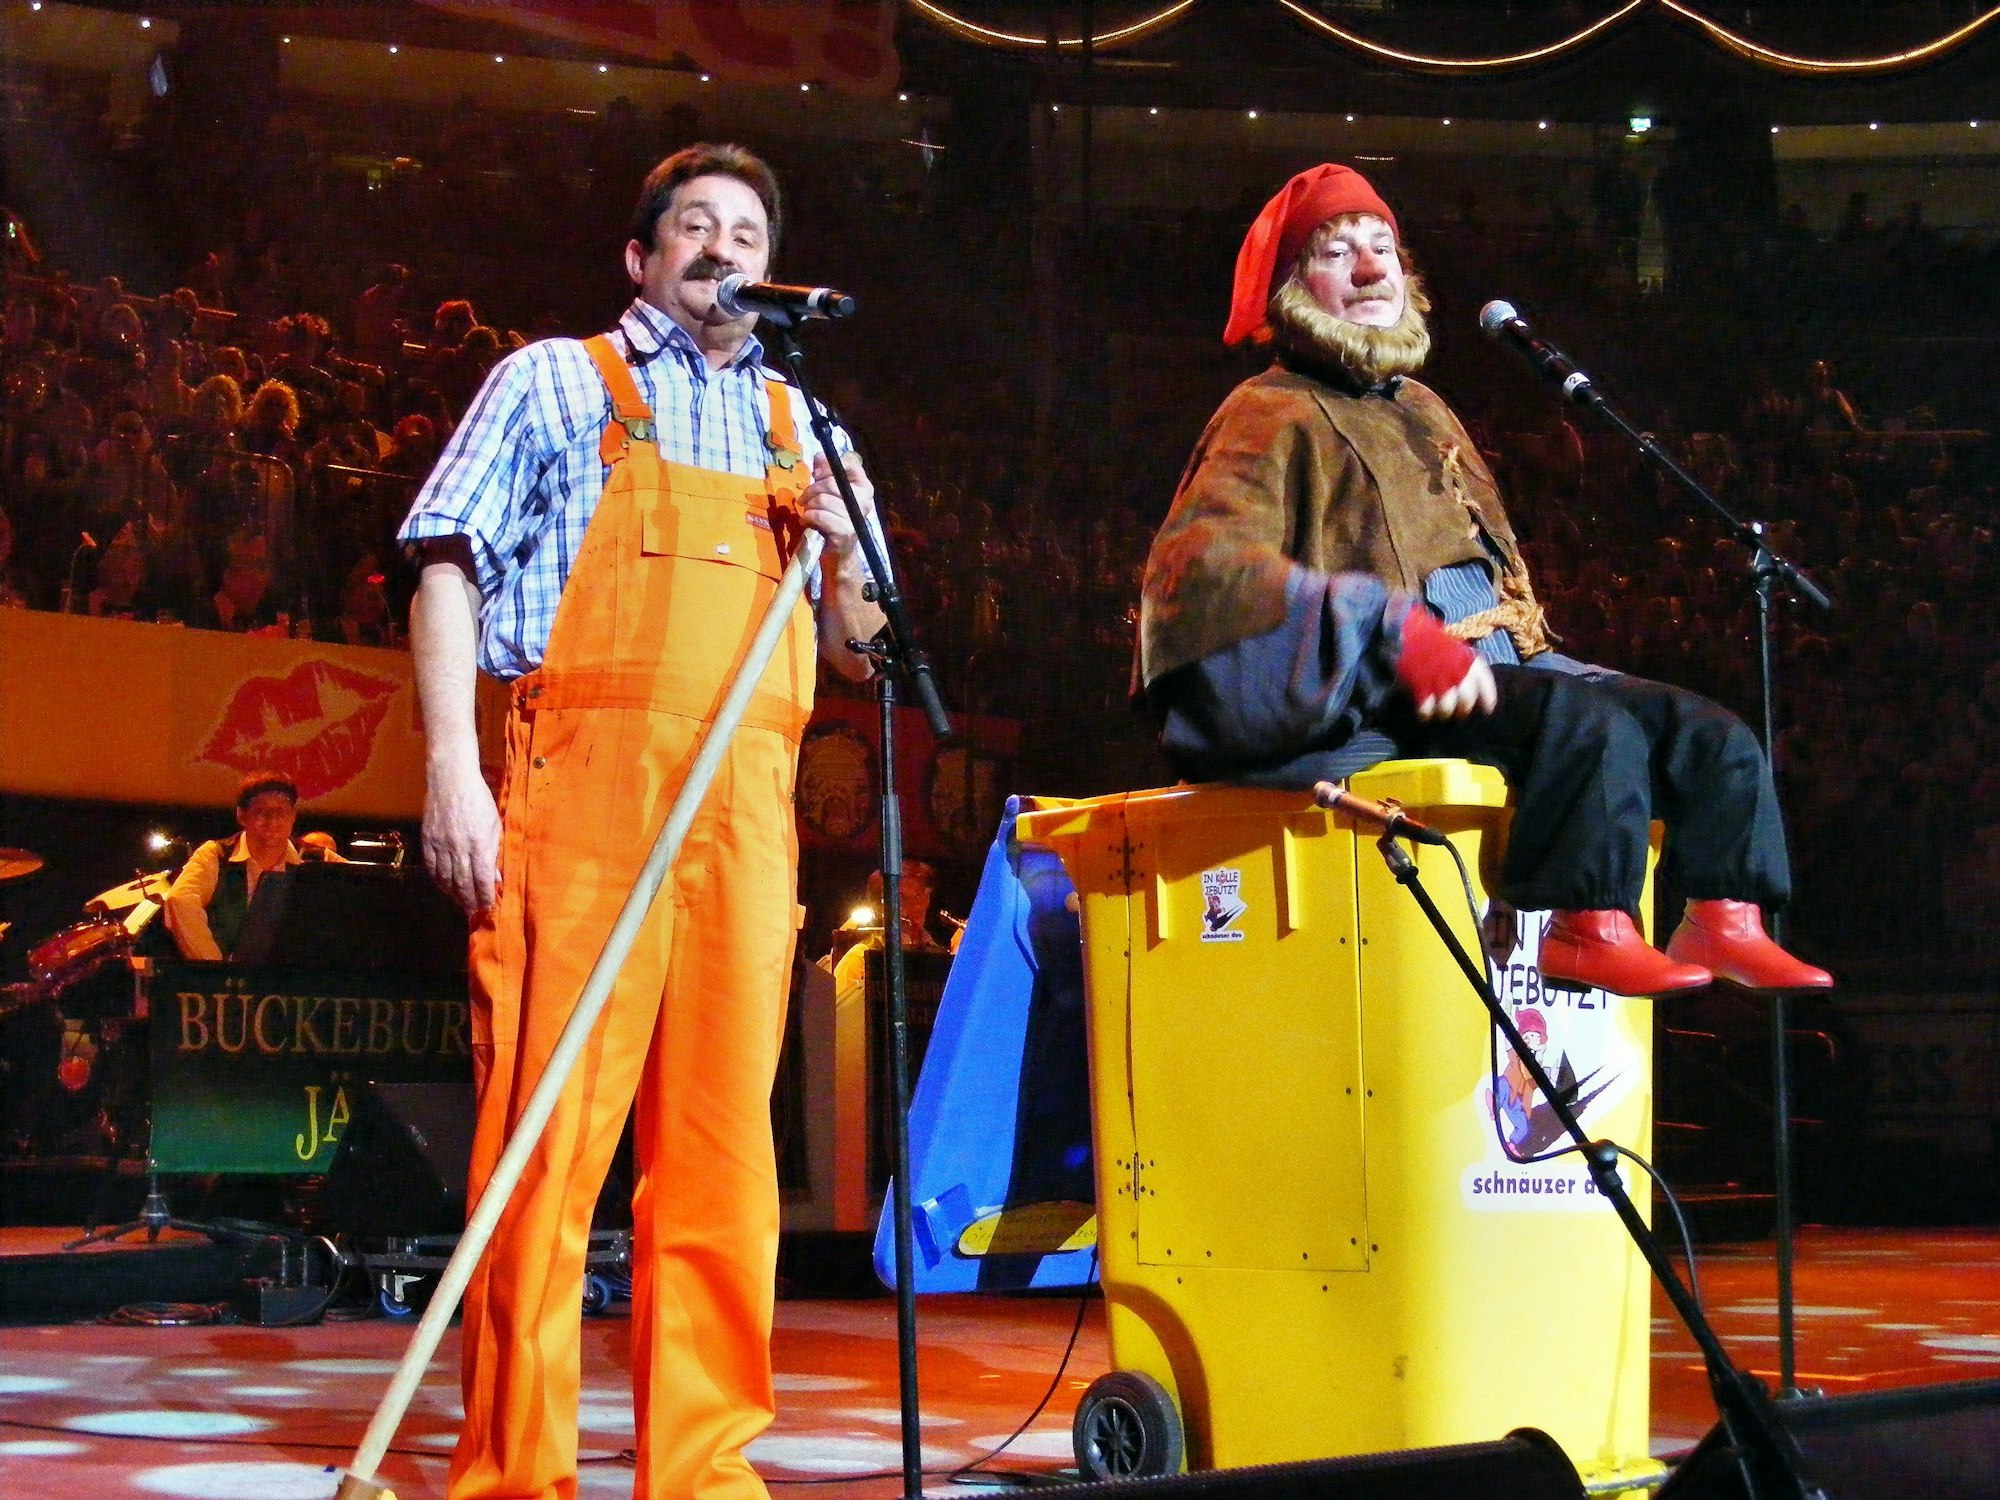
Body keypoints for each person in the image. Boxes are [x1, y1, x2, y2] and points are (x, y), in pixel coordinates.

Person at [399, 141, 885, 1500]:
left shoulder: (807, 427)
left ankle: (703, 1472)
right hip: (584, 792)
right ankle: (515, 1473)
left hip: (749, 810)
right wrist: (452, 773)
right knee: (545, 1149)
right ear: (642, 255)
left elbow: (860, 649)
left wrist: (848, 551)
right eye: (695, 227)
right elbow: (443, 564)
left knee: (724, 1160)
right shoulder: (559, 381)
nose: (724, 249)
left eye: (747, 232)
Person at [1134, 163, 1831, 999]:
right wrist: (1385, 629)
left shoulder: (1424, 406)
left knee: (1706, 731)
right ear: (1292, 287)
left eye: (1383, 248)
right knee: (1584, 724)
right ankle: (1588, 927)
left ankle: (1725, 917)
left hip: (1499, 670)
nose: (1371, 269)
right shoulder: (1268, 409)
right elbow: (1202, 567)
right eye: (1337, 253)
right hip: (1378, 691)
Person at [163, 772, 306, 961]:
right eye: (261, 812)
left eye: (281, 812)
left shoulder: (315, 858)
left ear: (293, 816)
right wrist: (215, 968)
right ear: (241, 815)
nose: (272, 821)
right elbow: (181, 900)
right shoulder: (216, 855)